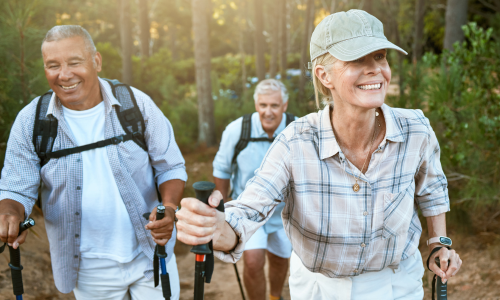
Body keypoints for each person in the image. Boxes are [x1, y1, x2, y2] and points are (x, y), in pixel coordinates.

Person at [176, 10, 462, 300]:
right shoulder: (294, 142)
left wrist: (438, 244)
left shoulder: (416, 129)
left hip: (395, 283)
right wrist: (215, 227)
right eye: (356, 59)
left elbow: (432, 191)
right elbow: (249, 210)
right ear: (324, 75)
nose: (375, 69)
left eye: (380, 56)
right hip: (319, 287)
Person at [0, 25, 186, 299]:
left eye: (74, 62)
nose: (64, 75)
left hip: (151, 257)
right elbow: (16, 189)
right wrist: (10, 214)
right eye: (53, 65)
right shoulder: (31, 122)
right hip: (87, 270)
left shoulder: (136, 105)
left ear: (96, 61)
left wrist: (168, 208)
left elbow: (170, 166)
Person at [212, 79, 295, 300]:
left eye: (274, 106)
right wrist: (221, 211)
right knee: (253, 261)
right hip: (249, 212)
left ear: (284, 105)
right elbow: (221, 169)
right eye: (263, 105)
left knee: (280, 259)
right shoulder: (237, 130)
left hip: (284, 214)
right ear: (256, 104)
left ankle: (274, 296)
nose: (268, 112)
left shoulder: (296, 129)